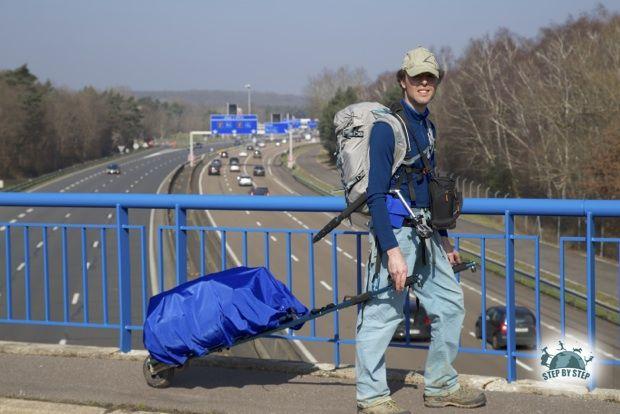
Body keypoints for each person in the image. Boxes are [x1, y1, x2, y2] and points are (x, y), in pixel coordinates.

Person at [355, 47, 487, 413]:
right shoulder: (386, 129)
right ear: (403, 81)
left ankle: (441, 386)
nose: (424, 83)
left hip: (428, 232)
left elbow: (429, 189)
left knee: (450, 305)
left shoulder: (428, 126)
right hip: (396, 234)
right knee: (383, 315)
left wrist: (445, 240)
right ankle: (371, 398)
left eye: (430, 77)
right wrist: (391, 251)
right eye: (417, 77)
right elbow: (376, 195)